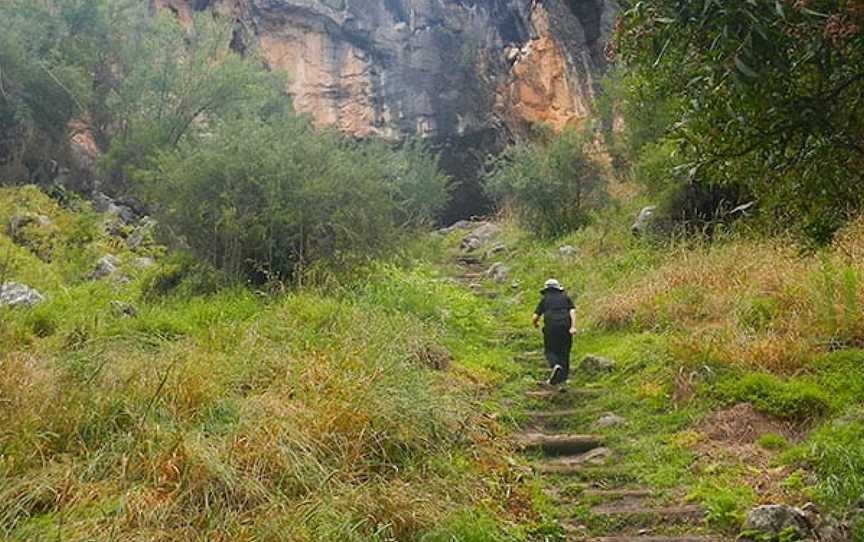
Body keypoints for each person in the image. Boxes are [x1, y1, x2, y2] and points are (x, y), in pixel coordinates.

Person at [532, 279, 577, 385]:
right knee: (565, 351)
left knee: (550, 350)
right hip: (565, 327)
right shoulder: (565, 298)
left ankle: (555, 365)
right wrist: (573, 326)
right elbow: (572, 311)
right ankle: (564, 378)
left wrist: (535, 324)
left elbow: (535, 316)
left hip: (551, 328)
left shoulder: (544, 300)